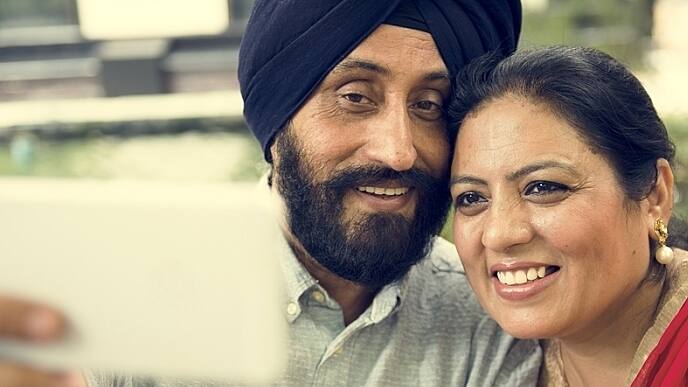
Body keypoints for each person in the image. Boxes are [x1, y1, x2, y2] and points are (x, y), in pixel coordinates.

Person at [0, 1, 541, 386]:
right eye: (355, 97)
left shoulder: (489, 320)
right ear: (276, 120)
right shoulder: (123, 294)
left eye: (429, 104)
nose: (398, 151)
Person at [447, 46, 688, 387]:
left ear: (654, 195)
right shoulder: (491, 364)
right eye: (471, 198)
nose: (499, 234)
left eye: (543, 187)